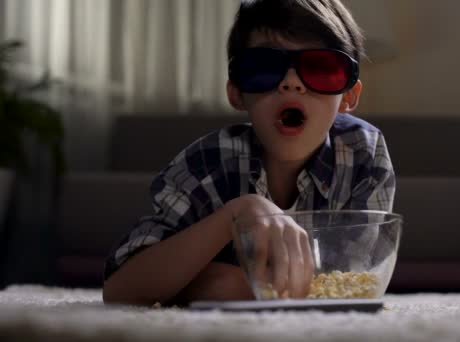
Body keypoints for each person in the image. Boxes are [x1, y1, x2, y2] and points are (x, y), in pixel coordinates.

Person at [102, 0, 395, 306]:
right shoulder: (206, 163)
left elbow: (347, 284)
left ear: (349, 95)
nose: (291, 83)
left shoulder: (363, 154)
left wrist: (213, 284)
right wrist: (236, 214)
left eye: (320, 68)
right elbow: (120, 288)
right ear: (236, 92)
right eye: (264, 67)